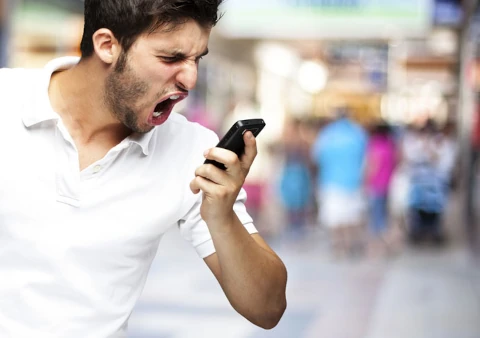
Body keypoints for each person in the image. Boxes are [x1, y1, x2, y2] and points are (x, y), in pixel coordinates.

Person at [0, 1, 287, 336]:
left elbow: (267, 308)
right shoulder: (8, 100)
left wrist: (222, 215)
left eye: (197, 59)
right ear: (107, 45)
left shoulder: (193, 151)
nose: (190, 79)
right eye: (171, 58)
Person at [311, 108, 368, 258]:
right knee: (351, 216)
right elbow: (367, 158)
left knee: (335, 217)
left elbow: (316, 157)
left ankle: (338, 247)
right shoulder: (358, 132)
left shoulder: (327, 134)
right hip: (354, 182)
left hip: (331, 182)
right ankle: (349, 245)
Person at [364, 122, 397, 257]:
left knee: (376, 218)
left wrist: (365, 181)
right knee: (382, 215)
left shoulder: (376, 146)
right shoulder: (390, 147)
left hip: (376, 185)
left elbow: (373, 166)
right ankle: (386, 244)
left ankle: (381, 246)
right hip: (387, 185)